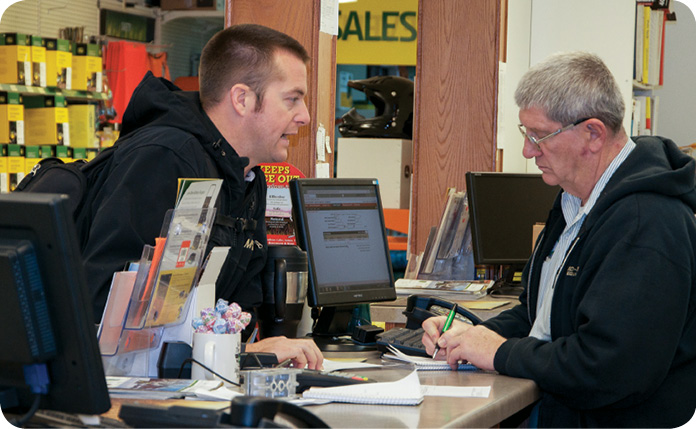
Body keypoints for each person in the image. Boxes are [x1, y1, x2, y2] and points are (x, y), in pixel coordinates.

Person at [422, 52, 696, 427]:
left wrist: (500, 352)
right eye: (526, 134)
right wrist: (471, 337)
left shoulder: (645, 223)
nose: (528, 150)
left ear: (593, 134)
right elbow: (540, 317)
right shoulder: (574, 201)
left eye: (540, 136)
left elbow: (608, 370)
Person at [81, 24, 322, 369]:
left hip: (194, 379)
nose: (305, 117)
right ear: (242, 99)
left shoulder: (249, 178)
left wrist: (244, 352)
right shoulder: (165, 158)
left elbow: (238, 310)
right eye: (292, 99)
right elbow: (103, 307)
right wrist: (239, 353)